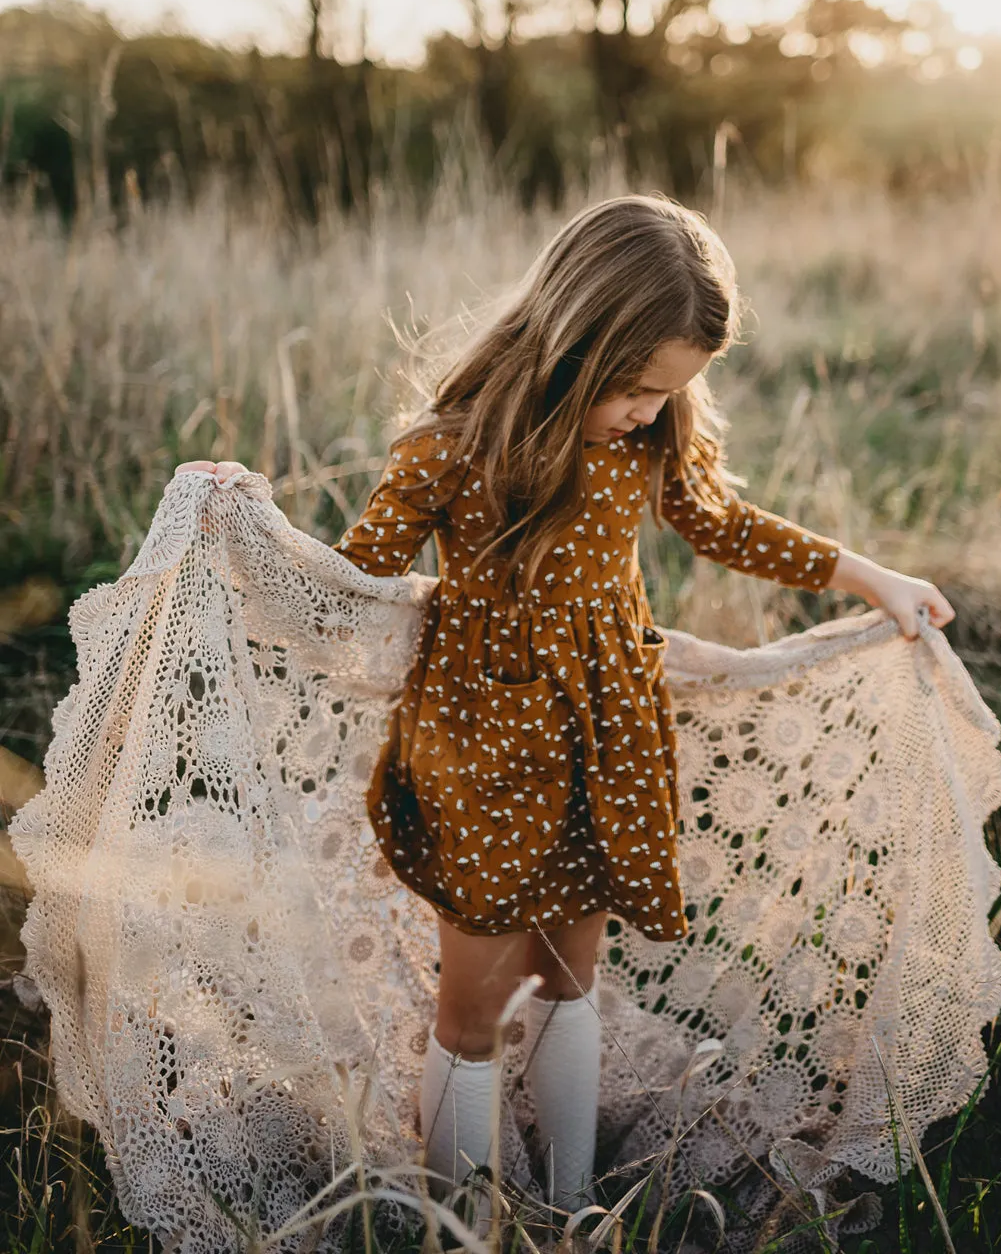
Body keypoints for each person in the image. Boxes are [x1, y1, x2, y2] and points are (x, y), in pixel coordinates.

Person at [179, 193, 953, 1230]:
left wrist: (871, 576)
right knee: (472, 1006)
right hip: (483, 751)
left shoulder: (651, 435)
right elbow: (351, 583)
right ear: (577, 340)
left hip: (608, 738)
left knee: (568, 976)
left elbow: (722, 523)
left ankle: (569, 1206)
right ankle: (467, 1218)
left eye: (668, 390)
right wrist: (242, 526)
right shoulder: (454, 447)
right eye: (633, 388)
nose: (647, 409)